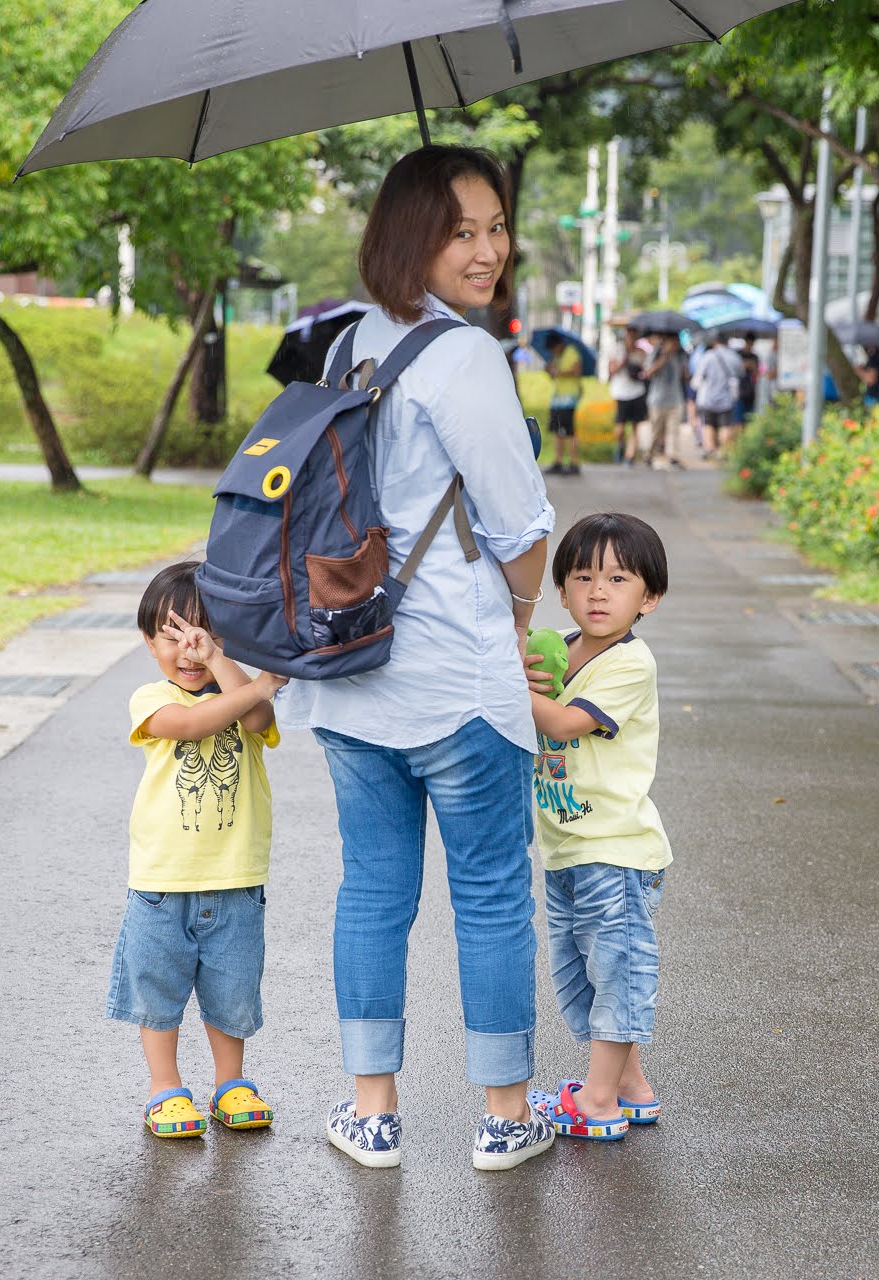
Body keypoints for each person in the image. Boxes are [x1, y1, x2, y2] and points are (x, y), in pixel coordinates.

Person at [286, 145, 558, 1172]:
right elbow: (520, 524)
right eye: (463, 230)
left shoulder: (348, 343)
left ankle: (372, 1113)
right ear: (414, 237)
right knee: (490, 891)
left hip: (352, 670)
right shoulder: (467, 358)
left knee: (372, 890)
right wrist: (523, 624)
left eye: (495, 227)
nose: (489, 249)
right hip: (454, 681)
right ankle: (501, 1116)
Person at [110, 562, 287, 1141]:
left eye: (203, 635)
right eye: (172, 636)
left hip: (236, 878)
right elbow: (187, 727)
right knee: (158, 988)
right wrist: (255, 682)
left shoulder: (238, 690)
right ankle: (166, 1087)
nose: (188, 650)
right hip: (162, 883)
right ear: (148, 642)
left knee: (232, 989)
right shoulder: (151, 698)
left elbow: (257, 716)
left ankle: (230, 1083)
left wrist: (225, 666)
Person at [521, 513, 671, 1141]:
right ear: (561, 590)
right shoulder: (555, 648)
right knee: (582, 975)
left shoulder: (631, 665)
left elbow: (561, 724)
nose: (598, 592)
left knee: (618, 970)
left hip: (616, 849)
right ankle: (631, 1087)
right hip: (566, 846)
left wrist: (504, 684)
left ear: (649, 597)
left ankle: (598, 1101)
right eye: (583, 577)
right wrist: (522, 671)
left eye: (618, 578)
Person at [638, 332, 686, 470]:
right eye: (673, 342)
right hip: (657, 400)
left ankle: (673, 456)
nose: (675, 345)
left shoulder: (680, 356)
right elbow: (648, 373)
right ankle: (649, 454)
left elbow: (685, 375)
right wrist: (663, 357)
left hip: (676, 399)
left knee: (674, 430)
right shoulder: (656, 354)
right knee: (655, 431)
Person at [691, 333, 740, 459]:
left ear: (714, 342)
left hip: (708, 398)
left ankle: (710, 450)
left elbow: (697, 379)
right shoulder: (734, 357)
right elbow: (740, 373)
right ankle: (723, 452)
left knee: (708, 424)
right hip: (727, 398)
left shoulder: (708, 356)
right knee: (725, 425)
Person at [605, 325, 648, 466]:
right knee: (620, 427)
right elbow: (611, 370)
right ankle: (620, 445)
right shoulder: (616, 349)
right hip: (621, 392)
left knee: (635, 426)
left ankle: (629, 456)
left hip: (637, 392)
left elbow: (645, 371)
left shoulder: (641, 352)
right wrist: (623, 361)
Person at [543, 333, 584, 476]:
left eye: (553, 349)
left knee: (569, 431)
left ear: (559, 345)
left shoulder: (571, 352)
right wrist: (550, 371)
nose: (552, 352)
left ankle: (574, 462)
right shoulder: (556, 357)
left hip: (569, 398)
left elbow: (577, 370)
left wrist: (560, 372)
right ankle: (558, 461)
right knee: (557, 431)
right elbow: (554, 374)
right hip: (557, 398)